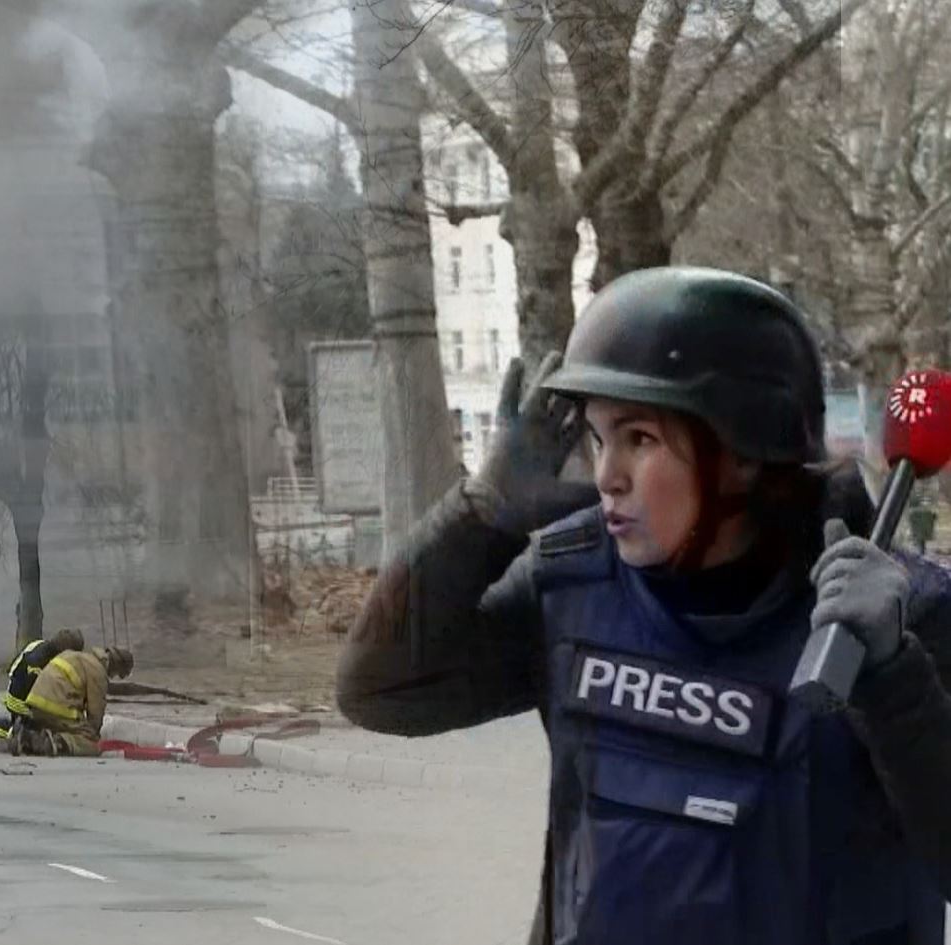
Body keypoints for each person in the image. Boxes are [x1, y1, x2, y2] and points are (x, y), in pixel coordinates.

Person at [338, 267, 951, 945]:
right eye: (599, 438)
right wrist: (478, 516)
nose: (607, 474)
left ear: (743, 452)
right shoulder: (573, 585)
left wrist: (894, 678)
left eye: (641, 439)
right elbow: (379, 690)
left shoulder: (894, 617)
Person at [12, 645, 133, 757]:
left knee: (54, 726)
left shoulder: (75, 656)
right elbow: (96, 711)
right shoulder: (98, 671)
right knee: (91, 744)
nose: (112, 677)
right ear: (116, 666)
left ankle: (28, 737)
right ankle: (59, 742)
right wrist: (92, 735)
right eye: (117, 674)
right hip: (58, 708)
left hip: (35, 704)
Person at [0, 628, 85, 739]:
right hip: (21, 703)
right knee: (37, 734)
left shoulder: (40, 644)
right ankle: (2, 728)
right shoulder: (40, 665)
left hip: (18, 691)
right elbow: (39, 697)